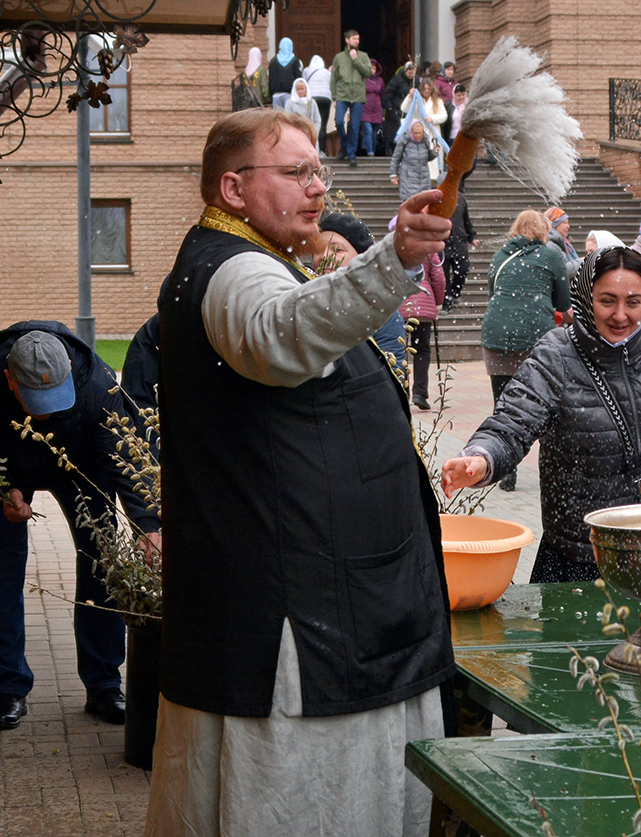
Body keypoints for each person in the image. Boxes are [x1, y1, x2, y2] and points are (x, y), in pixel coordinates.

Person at [145, 107, 454, 837]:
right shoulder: (234, 270)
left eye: (319, 171)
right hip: (301, 617)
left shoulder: (248, 258)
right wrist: (391, 259)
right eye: (294, 173)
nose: (316, 187)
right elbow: (279, 336)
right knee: (300, 803)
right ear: (232, 188)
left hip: (324, 597)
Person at [443, 246, 641, 582]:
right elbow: (512, 422)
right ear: (584, 297)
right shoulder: (556, 355)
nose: (621, 315)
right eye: (607, 301)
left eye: (633, 302)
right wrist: (480, 458)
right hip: (583, 546)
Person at [0, 322, 163, 731]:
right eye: (36, 400)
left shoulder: (96, 382)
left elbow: (129, 459)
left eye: (55, 397)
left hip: (81, 464)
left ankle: (104, 685)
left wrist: (148, 525)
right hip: (4, 470)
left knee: (102, 559)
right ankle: (9, 687)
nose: (46, 410)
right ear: (9, 379)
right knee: (5, 564)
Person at [478, 210, 572, 491]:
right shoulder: (553, 256)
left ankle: (506, 469)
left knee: (504, 403)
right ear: (544, 231)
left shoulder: (499, 257)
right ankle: (553, 468)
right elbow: (562, 301)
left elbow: (493, 291)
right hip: (535, 337)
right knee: (544, 402)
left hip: (496, 336)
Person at [315, 211, 409, 378]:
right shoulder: (304, 299)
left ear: (362, 259)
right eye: (318, 249)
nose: (325, 256)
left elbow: (390, 376)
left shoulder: (381, 311)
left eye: (337, 250)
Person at [393, 218, 446, 411]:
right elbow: (439, 278)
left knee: (401, 348)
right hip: (423, 305)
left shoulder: (395, 248)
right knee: (422, 349)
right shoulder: (429, 249)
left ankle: (402, 389)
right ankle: (420, 392)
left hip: (399, 305)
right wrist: (439, 303)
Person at [330, 29, 372, 165]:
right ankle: (344, 145)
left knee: (354, 126)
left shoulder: (363, 56)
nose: (357, 41)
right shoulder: (339, 57)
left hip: (358, 95)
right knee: (339, 122)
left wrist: (356, 60)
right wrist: (334, 97)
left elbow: (367, 73)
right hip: (343, 94)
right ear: (347, 40)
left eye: (358, 39)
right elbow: (334, 78)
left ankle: (351, 154)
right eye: (354, 39)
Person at [401, 79, 448, 180]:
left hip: (433, 132)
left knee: (434, 157)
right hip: (419, 132)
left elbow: (444, 116)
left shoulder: (438, 101)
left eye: (428, 89)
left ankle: (434, 179)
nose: (426, 91)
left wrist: (433, 118)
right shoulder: (416, 100)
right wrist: (410, 96)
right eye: (424, 89)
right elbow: (404, 109)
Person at [441, 188, 479, 313]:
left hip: (459, 243)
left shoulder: (460, 198)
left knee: (463, 269)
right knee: (443, 277)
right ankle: (446, 304)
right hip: (442, 245)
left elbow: (466, 221)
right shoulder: (436, 200)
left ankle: (455, 292)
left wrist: (472, 236)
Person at [391, 120, 435, 201]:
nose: (418, 135)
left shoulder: (426, 140)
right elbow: (396, 158)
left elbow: (428, 158)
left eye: (420, 133)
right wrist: (394, 175)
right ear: (411, 131)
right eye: (415, 133)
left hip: (424, 178)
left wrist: (434, 152)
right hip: (408, 179)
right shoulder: (404, 141)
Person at [304, 55, 332, 156]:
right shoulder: (327, 72)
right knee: (323, 124)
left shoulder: (307, 70)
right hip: (326, 98)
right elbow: (331, 85)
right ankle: (322, 150)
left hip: (313, 98)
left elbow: (303, 82)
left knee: (312, 123)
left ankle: (312, 147)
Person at [383, 61, 415, 146]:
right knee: (394, 130)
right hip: (396, 108)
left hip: (409, 109)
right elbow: (388, 92)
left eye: (412, 73)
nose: (410, 75)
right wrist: (388, 105)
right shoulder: (397, 79)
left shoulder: (415, 81)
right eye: (409, 73)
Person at [545, 206, 581, 280]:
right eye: (564, 223)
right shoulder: (551, 245)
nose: (568, 226)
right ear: (555, 224)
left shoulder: (562, 242)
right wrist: (581, 262)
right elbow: (563, 270)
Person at [267, 37, 302, 108]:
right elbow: (298, 77)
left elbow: (271, 78)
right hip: (290, 94)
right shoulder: (295, 61)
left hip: (276, 95)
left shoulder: (273, 61)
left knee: (278, 117)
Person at [362, 59, 386, 156]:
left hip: (377, 109)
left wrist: (383, 112)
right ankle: (370, 152)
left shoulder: (380, 80)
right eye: (371, 67)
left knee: (375, 133)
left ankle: (373, 151)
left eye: (374, 68)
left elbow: (383, 95)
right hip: (365, 108)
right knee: (368, 131)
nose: (373, 69)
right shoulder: (363, 79)